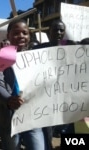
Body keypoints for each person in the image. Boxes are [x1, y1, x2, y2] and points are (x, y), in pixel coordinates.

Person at [0, 19, 45, 150]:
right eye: (16, 33)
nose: (21, 36)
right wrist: (8, 99)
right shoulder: (1, 56)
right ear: (8, 35)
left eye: (25, 33)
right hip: (10, 120)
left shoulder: (39, 57)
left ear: (29, 36)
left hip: (34, 117)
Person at [33, 19, 77, 150]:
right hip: (45, 100)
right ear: (49, 31)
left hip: (67, 100)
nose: (58, 32)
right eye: (55, 29)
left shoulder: (72, 49)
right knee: (47, 133)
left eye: (61, 30)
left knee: (69, 132)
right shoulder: (37, 49)